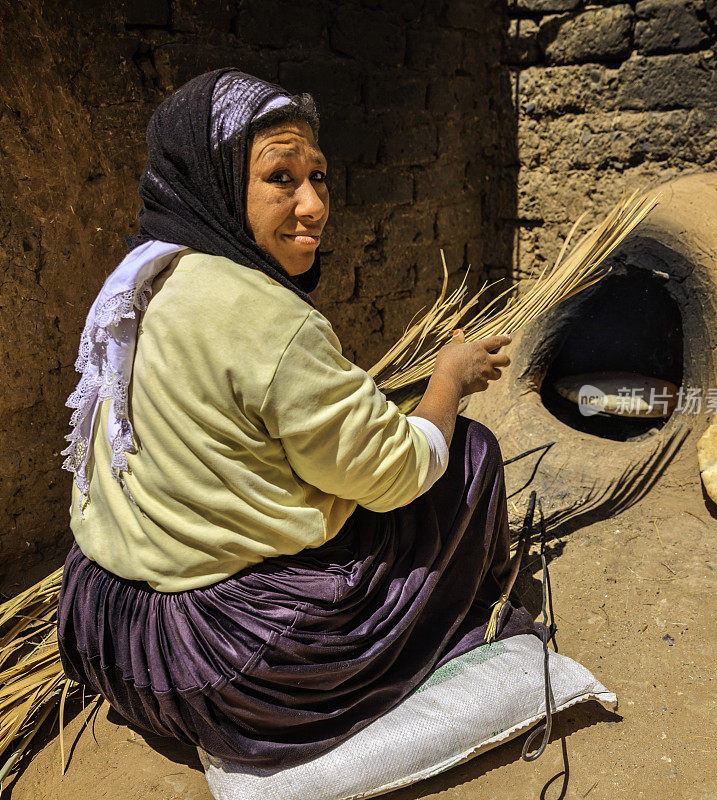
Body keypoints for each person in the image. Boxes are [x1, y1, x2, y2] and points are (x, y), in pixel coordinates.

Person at [56, 68, 537, 770]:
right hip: (228, 677)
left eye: (319, 177)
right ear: (218, 182)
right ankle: (472, 616)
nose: (313, 205)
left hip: (105, 635)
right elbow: (400, 474)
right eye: (281, 177)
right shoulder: (270, 321)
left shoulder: (143, 279)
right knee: (467, 459)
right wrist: (448, 381)